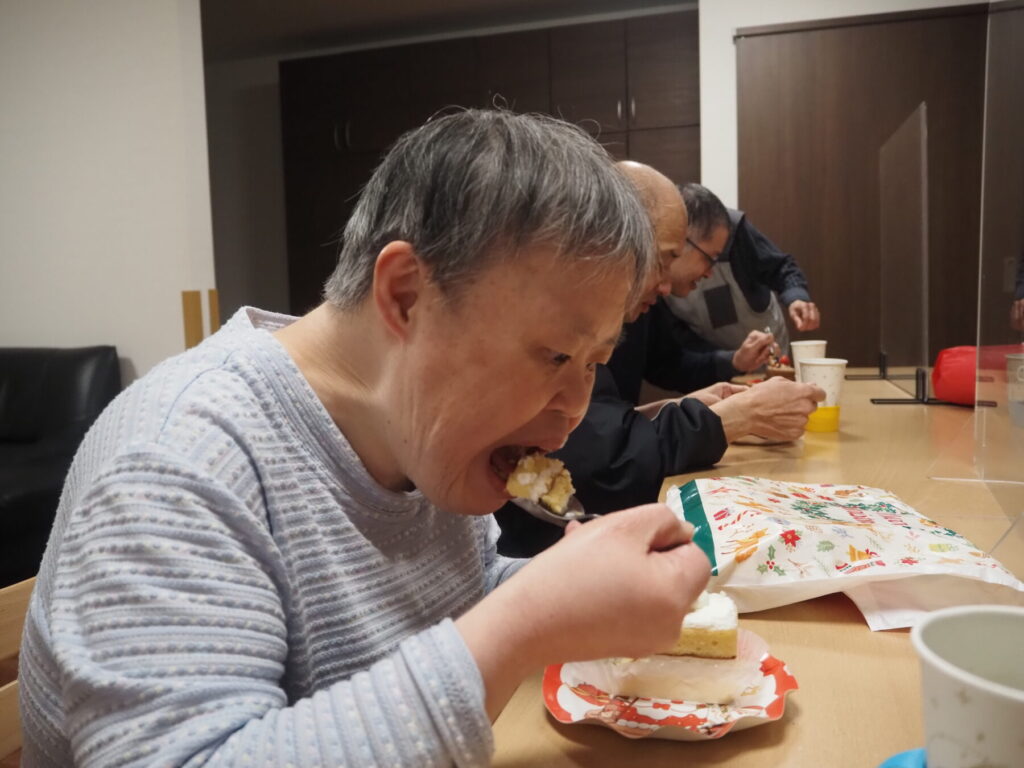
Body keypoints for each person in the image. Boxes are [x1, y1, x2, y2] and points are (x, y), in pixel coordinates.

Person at [18, 111, 712, 767]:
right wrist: (528, 618)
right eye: (558, 355)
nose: (575, 410)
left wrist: (573, 588)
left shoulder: (420, 432)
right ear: (407, 295)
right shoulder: (178, 463)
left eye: (595, 363)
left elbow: (452, 602)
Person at [496, 163, 825, 558]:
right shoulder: (541, 324)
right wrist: (735, 417)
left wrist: (674, 408)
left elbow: (595, 431)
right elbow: (597, 456)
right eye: (664, 258)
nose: (666, 284)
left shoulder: (607, 320)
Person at [666, 183, 820, 359]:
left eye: (716, 258)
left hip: (767, 353)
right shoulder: (656, 258)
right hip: (710, 361)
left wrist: (797, 297)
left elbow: (780, 266)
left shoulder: (731, 230)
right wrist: (728, 361)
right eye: (709, 258)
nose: (710, 272)